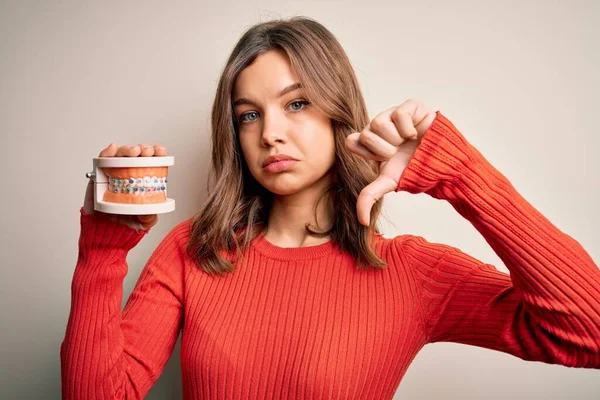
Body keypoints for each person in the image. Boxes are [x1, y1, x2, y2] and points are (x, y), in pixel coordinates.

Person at [60, 16, 600, 400]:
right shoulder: (194, 252)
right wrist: (103, 250)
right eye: (248, 115)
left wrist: (460, 174)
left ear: (338, 111)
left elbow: (588, 332)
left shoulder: (409, 272)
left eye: (297, 104)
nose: (270, 133)